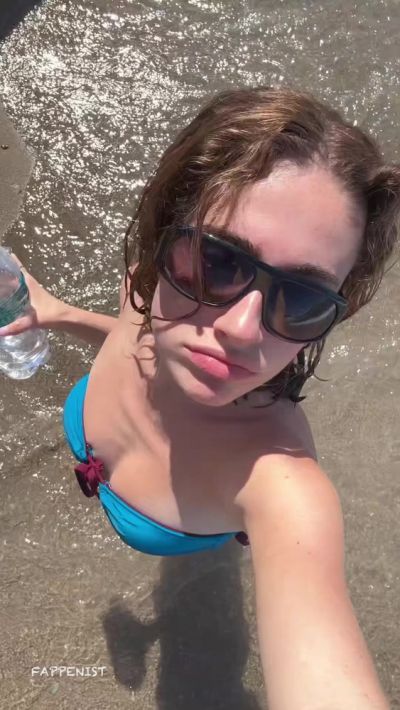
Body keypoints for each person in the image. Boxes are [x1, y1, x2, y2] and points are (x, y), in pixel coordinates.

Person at [2, 86, 399, 709]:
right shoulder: (145, 291)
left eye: (301, 299)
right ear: (162, 241)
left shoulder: (280, 484)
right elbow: (133, 336)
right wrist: (62, 314)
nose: (240, 329)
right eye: (217, 261)